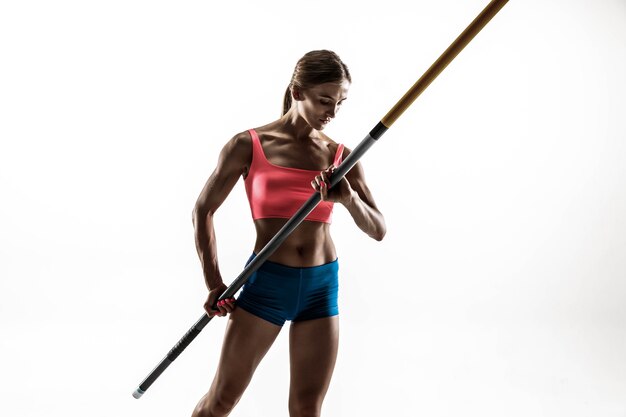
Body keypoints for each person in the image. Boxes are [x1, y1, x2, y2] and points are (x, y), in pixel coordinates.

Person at [191, 50, 386, 417]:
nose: (331, 112)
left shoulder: (340, 155)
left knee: (307, 409)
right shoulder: (248, 145)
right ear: (297, 92)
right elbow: (203, 210)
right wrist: (213, 283)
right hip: (266, 284)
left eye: (340, 102)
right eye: (324, 100)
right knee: (220, 402)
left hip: (321, 288)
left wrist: (346, 198)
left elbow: (378, 229)